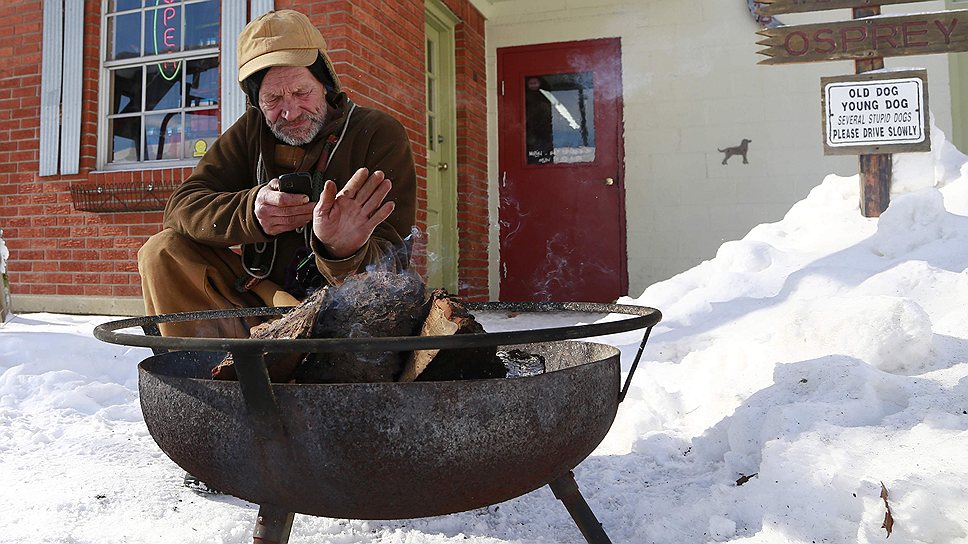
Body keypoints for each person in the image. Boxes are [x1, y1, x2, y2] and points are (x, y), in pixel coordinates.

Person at [138, 9, 417, 339]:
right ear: (255, 100)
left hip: (342, 311)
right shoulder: (251, 131)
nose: (290, 111)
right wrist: (251, 211)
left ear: (325, 83)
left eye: (302, 92)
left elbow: (394, 266)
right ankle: (203, 377)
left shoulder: (378, 133)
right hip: (263, 297)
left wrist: (342, 250)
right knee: (163, 250)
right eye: (273, 98)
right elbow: (181, 207)